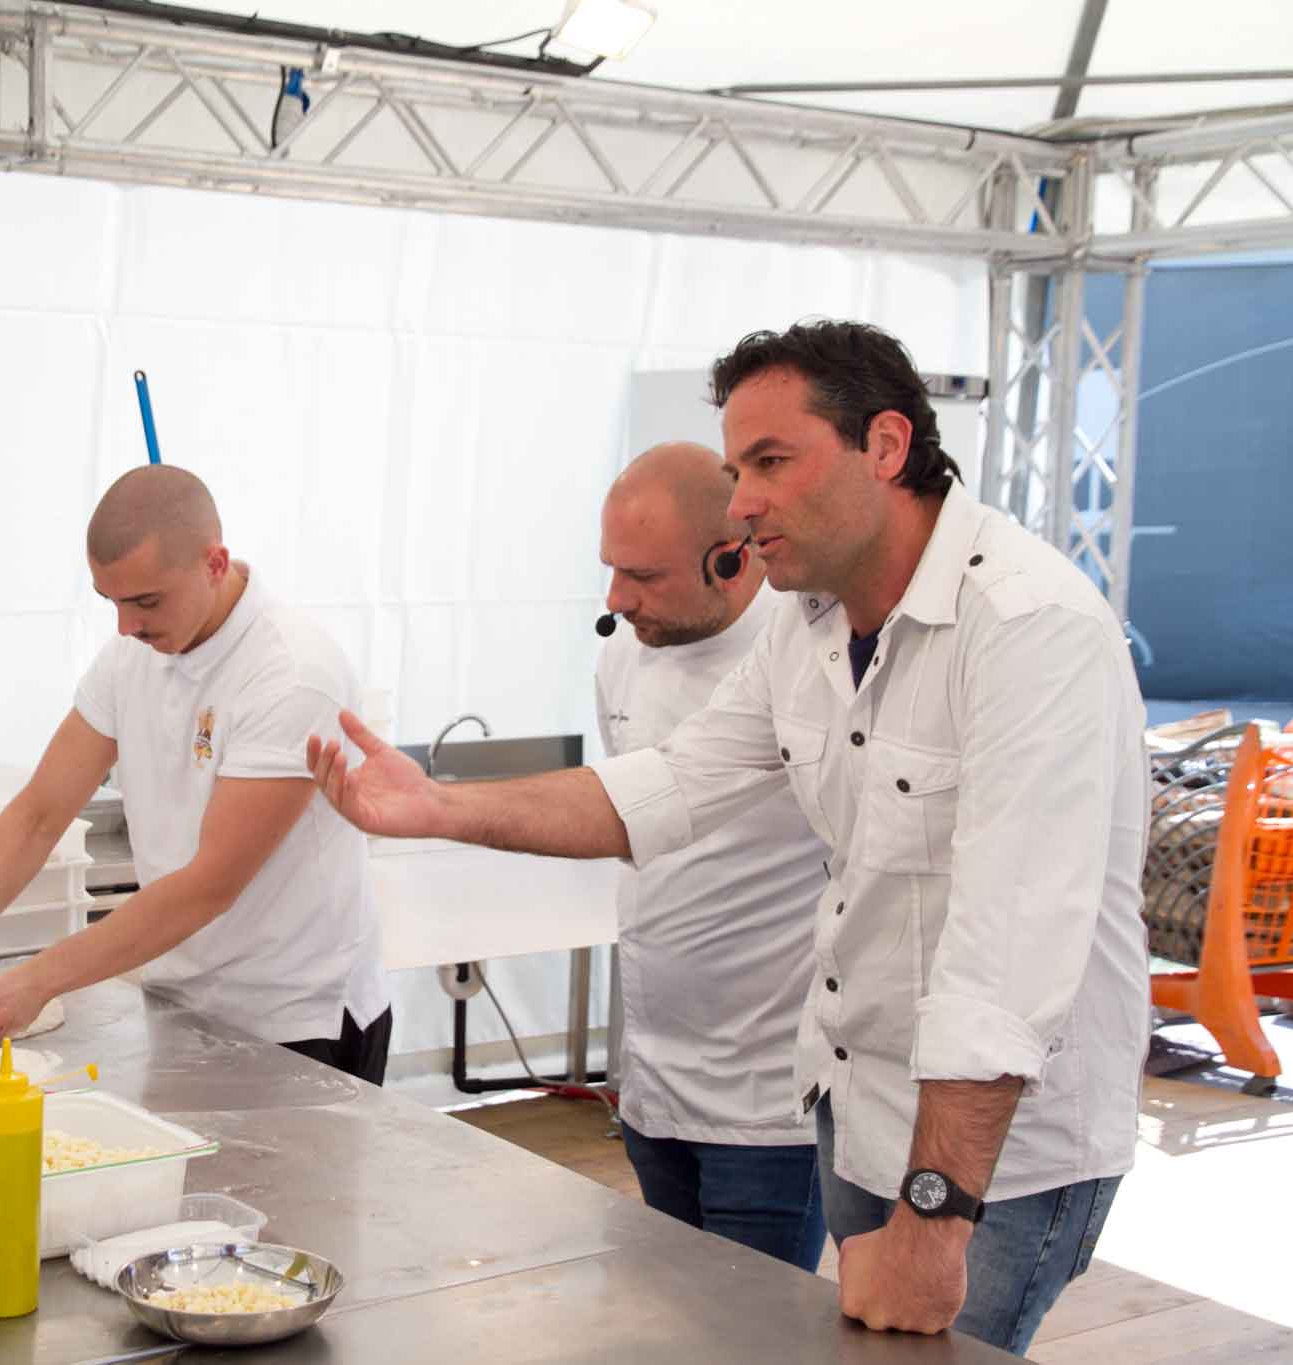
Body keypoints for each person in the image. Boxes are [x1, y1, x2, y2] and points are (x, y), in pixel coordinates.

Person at [307, 321, 1149, 1351]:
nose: (742, 502)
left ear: (884, 447)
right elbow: (664, 790)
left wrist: (934, 1217)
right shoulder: (814, 628)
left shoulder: (1026, 629)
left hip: (997, 1162)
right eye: (734, 468)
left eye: (769, 462)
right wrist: (438, 808)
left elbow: (1004, 958)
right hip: (860, 1108)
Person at [0, 465, 391, 1084]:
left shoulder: (290, 674)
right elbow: (40, 813)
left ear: (215, 563)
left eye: (145, 601)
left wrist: (35, 980)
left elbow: (209, 885)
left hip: (298, 1021)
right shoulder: (133, 654)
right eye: (111, 602)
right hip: (184, 1002)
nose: (125, 627)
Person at [595, 442, 828, 1270]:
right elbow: (632, 824)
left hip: (768, 1109)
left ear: (733, 560)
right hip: (654, 1087)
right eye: (611, 570)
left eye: (644, 577)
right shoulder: (624, 653)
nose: (617, 600)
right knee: (677, 1322)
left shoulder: (808, 665)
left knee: (754, 1338)